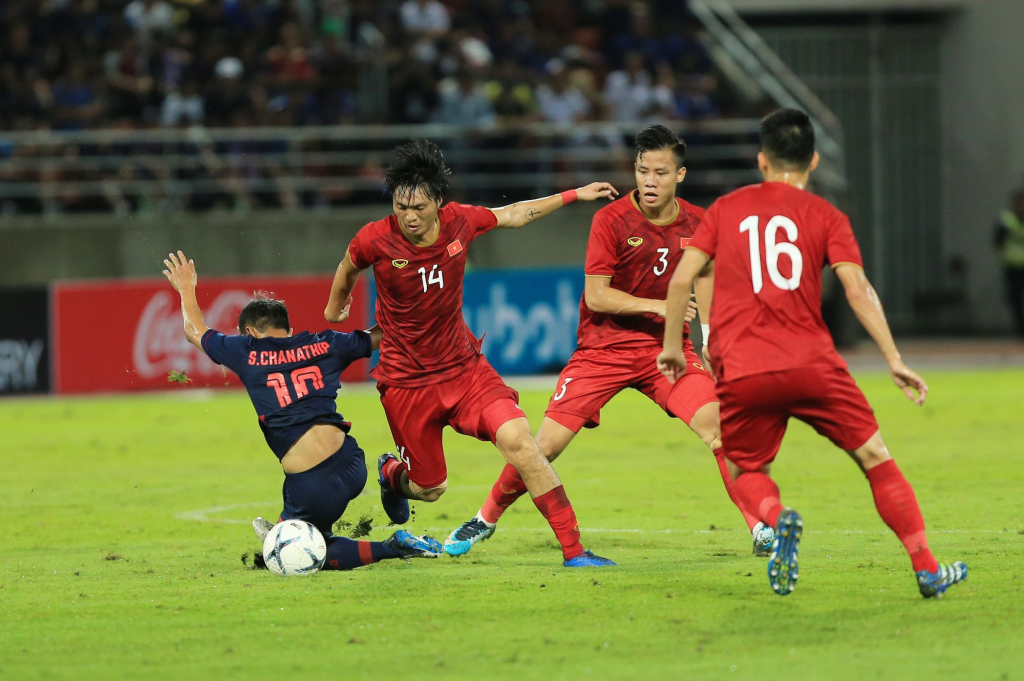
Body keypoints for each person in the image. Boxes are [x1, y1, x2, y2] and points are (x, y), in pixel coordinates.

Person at [657, 109, 968, 599]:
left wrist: (674, 347)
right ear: (814, 161)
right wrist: (893, 358)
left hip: (744, 367)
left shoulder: (726, 209)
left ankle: (779, 520)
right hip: (813, 363)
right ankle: (926, 569)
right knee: (874, 457)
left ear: (762, 161)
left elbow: (681, 280)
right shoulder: (827, 215)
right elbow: (858, 289)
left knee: (745, 470)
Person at [444, 125, 775, 558]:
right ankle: (484, 519)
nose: (649, 181)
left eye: (659, 172)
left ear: (681, 175)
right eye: (642, 171)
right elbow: (598, 295)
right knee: (542, 448)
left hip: (666, 353)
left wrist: (709, 335)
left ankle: (759, 528)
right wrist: (658, 308)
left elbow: (707, 272)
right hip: (602, 351)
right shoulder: (611, 220)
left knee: (719, 430)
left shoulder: (699, 221)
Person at [325, 140, 618, 567]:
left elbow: (514, 214)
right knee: (429, 489)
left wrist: (573, 194)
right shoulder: (375, 238)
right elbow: (348, 265)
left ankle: (574, 551)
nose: (408, 216)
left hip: (466, 372)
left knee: (522, 444)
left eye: (419, 207)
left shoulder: (460, 221)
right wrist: (338, 305)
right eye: (401, 206)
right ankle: (391, 474)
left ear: (438, 203)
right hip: (407, 384)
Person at [161, 250, 443, 571]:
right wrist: (418, 302)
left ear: (250, 333)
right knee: (297, 521)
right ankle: (388, 477)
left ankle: (389, 546)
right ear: (289, 330)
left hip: (312, 485)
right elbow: (385, 334)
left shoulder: (247, 352)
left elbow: (193, 330)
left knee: (313, 549)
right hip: (352, 464)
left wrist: (186, 287)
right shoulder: (325, 343)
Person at [993, 189, 1024, 338]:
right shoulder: (1007, 220)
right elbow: (997, 241)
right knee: (1015, 299)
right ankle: (1020, 330)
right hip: (1012, 266)